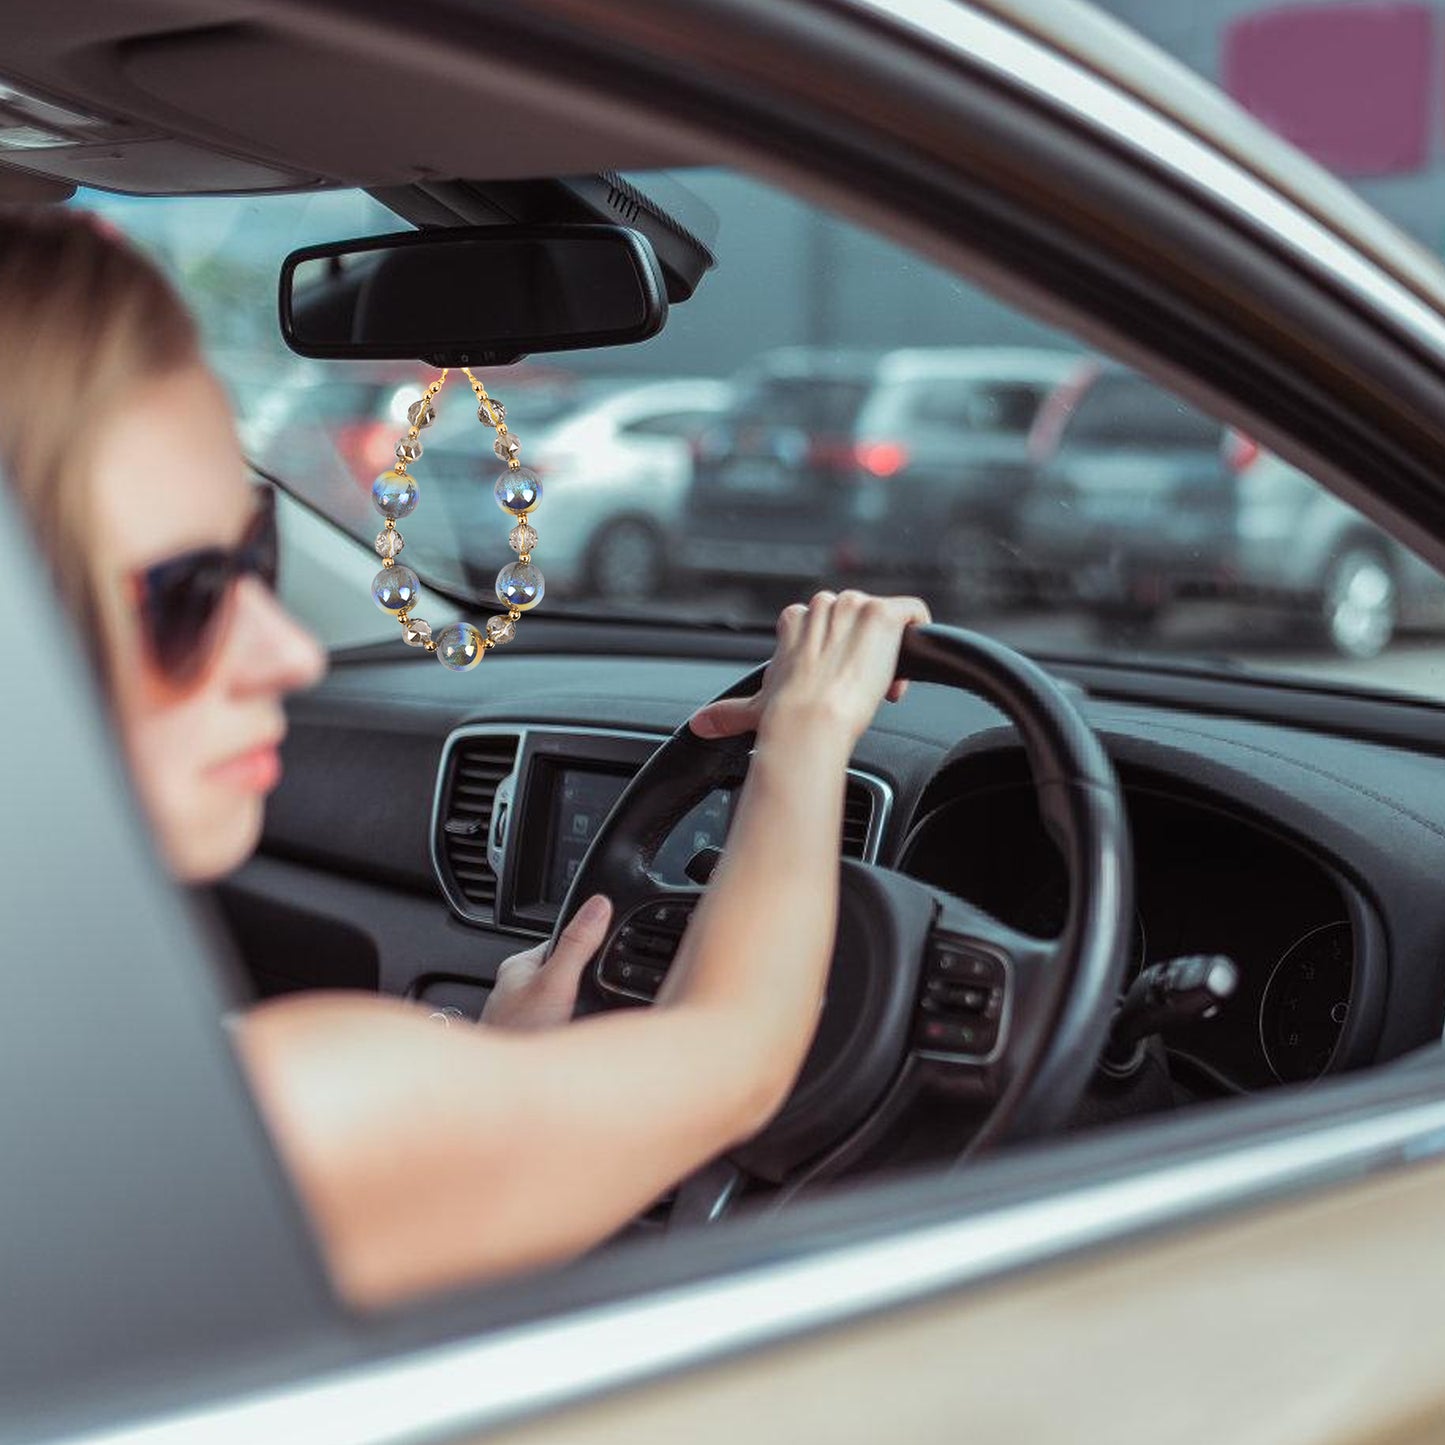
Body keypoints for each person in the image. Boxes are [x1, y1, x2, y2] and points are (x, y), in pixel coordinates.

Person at [1, 209, 930, 1308]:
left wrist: (492, 1077)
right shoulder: (252, 1119)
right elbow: (732, 1058)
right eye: (194, 594)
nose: (291, 651)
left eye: (260, 551)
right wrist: (809, 732)